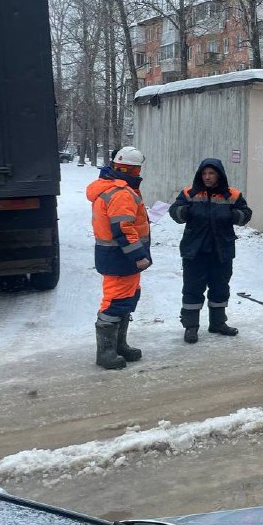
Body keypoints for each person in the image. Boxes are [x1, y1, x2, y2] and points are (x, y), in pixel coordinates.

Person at [169, 159, 252, 343]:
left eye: (211, 173)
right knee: (192, 288)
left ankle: (218, 323)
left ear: (219, 175)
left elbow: (246, 214)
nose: (207, 177)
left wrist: (231, 215)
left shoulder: (232, 194)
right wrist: (184, 212)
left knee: (220, 287)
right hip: (195, 250)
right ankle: (191, 327)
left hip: (221, 250)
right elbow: (174, 211)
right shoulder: (189, 193)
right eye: (204, 173)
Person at [86, 146, 152, 370]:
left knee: (127, 298)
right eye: (137, 170)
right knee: (115, 302)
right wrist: (139, 256)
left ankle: (118, 346)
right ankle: (106, 353)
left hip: (118, 258)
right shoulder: (121, 192)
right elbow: (123, 228)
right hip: (121, 258)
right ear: (134, 170)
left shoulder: (113, 188)